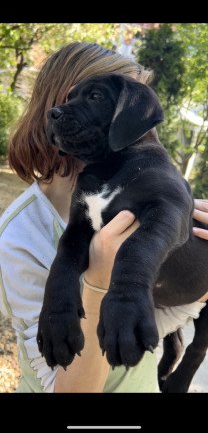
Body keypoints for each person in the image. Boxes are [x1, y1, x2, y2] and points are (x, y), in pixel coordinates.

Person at [0, 42, 207, 393]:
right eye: (71, 100)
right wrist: (98, 283)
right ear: (51, 104)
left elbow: (146, 319)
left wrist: (194, 287)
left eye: (93, 99)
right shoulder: (22, 238)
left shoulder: (140, 182)